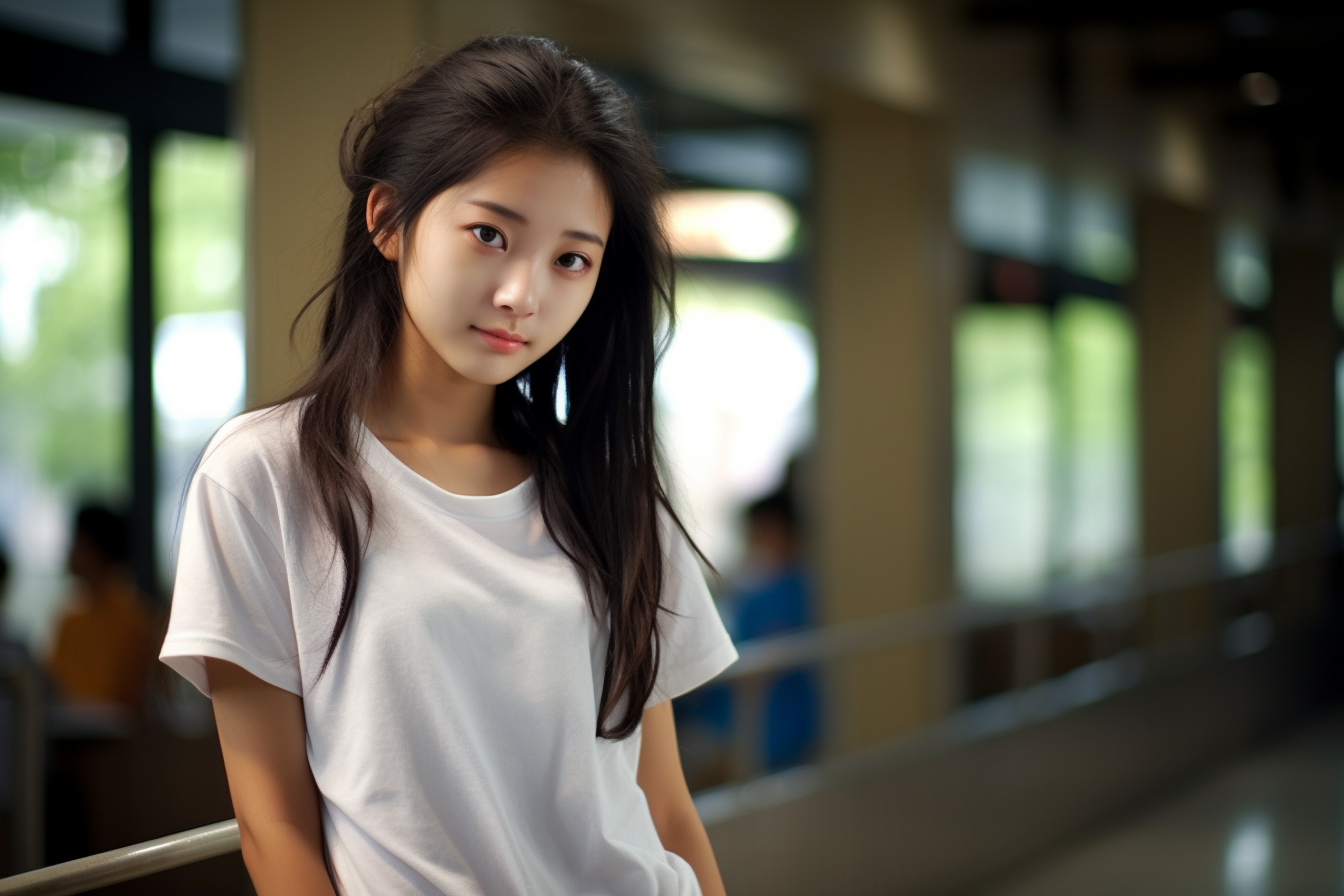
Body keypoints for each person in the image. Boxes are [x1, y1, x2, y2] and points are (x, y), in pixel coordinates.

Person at [159, 36, 737, 896]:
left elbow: (666, 809)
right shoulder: (266, 477)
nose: (523, 295)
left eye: (571, 258)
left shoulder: (606, 488)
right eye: (490, 235)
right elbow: (273, 827)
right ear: (388, 220)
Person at [47, 503, 154, 711]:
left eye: (77, 540)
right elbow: (52, 687)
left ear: (95, 549)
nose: (69, 550)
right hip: (69, 735)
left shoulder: (134, 620)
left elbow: (127, 703)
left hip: (114, 740)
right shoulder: (70, 618)